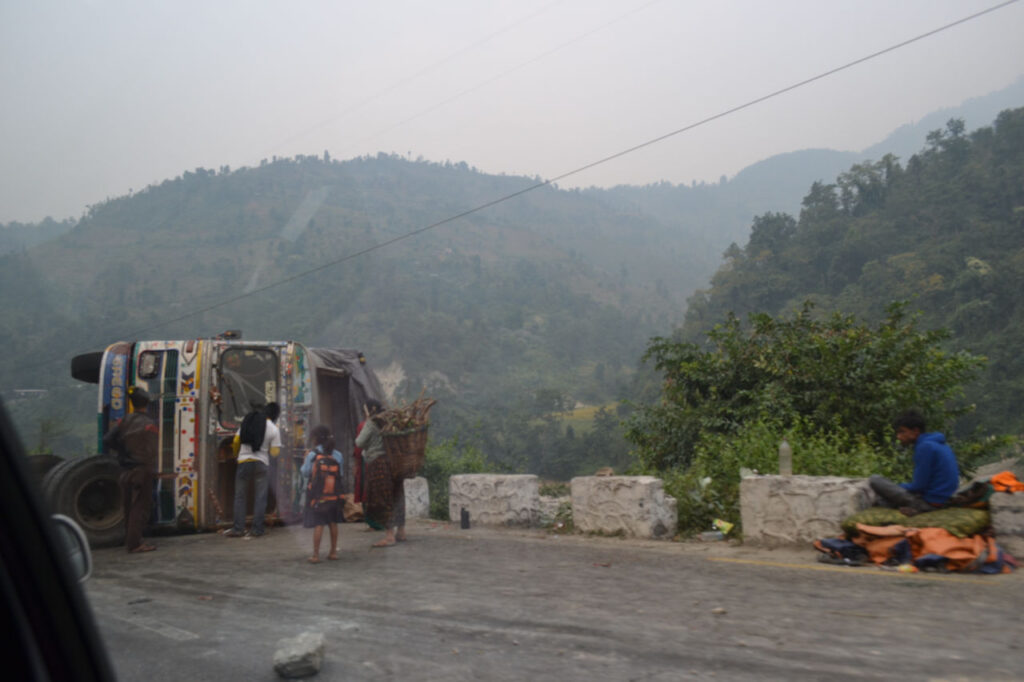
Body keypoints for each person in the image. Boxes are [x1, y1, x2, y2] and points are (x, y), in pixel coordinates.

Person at [869, 410, 960, 515]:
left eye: (902, 432)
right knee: (882, 501)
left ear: (915, 431)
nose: (898, 436)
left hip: (930, 503)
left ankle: (919, 509)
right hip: (943, 500)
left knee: (875, 479)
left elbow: (918, 486)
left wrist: (898, 486)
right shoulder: (939, 444)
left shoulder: (925, 447)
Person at [103, 386, 159, 553]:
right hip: (141, 470)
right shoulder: (149, 424)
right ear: (147, 404)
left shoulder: (123, 421)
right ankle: (135, 544)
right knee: (140, 506)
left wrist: (122, 450)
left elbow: (107, 439)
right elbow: (152, 449)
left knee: (128, 506)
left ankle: (130, 539)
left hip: (125, 469)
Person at [225, 402, 282, 537]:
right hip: (262, 464)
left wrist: (236, 455)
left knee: (240, 496)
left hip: (244, 462)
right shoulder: (273, 429)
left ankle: (238, 529)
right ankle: (257, 529)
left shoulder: (248, 422)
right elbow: (275, 453)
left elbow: (236, 441)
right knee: (260, 498)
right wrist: (267, 448)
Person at [356, 399, 406, 547]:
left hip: (379, 464)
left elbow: (359, 442)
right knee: (396, 496)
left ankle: (389, 536)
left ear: (370, 410)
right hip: (394, 462)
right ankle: (401, 531)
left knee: (383, 499)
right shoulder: (389, 420)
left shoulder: (371, 423)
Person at [300, 425, 344, 563]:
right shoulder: (338, 455)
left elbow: (305, 473)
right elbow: (340, 474)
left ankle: (315, 555)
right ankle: (333, 552)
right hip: (334, 495)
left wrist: (305, 459)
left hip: (318, 496)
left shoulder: (312, 454)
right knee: (332, 522)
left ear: (316, 439)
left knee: (319, 523)